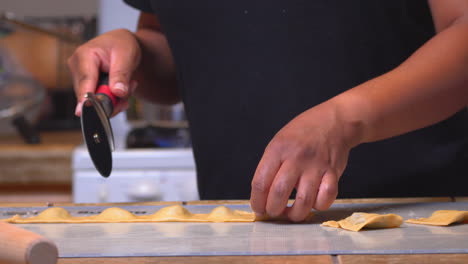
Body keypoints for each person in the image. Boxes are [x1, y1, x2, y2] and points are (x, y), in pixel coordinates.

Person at [68, 0, 468, 222]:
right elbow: (177, 43)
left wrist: (344, 119)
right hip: (247, 231)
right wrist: (134, 50)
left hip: (414, 222)